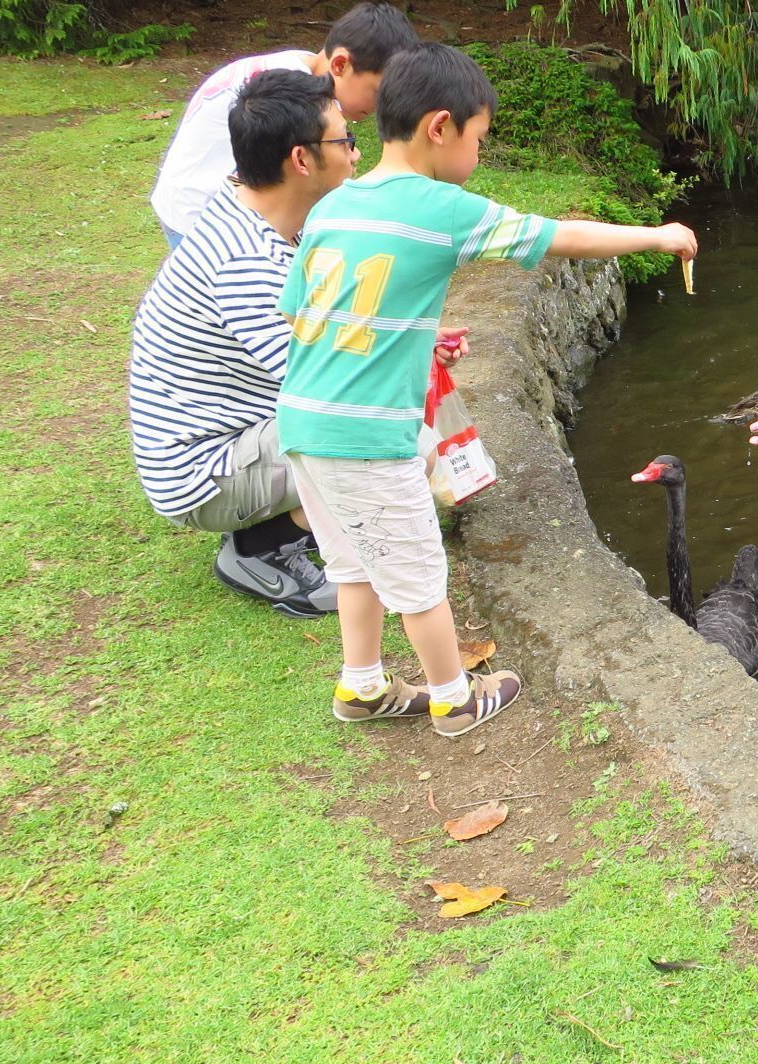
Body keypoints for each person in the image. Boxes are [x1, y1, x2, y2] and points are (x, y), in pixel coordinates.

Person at [277, 42, 697, 736]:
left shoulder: (333, 206)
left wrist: (407, 337)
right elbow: (557, 236)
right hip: (367, 433)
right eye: (479, 139)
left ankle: (362, 687)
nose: (478, 155)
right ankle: (453, 698)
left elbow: (303, 312)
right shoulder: (444, 208)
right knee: (417, 575)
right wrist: (655, 235)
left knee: (354, 563)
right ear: (440, 127)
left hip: (303, 421)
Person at [129, 70, 372, 618]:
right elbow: (323, 385)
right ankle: (258, 547)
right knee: (372, 430)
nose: (357, 152)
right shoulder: (245, 262)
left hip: (237, 431)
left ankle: (298, 521)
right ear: (302, 161)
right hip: (201, 473)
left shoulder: (254, 205)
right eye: (345, 140)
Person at [150, 2, 418, 249]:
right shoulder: (291, 99)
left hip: (209, 198)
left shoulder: (297, 67)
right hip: (198, 209)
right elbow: (305, 181)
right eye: (377, 91)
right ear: (340, 64)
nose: (378, 106)